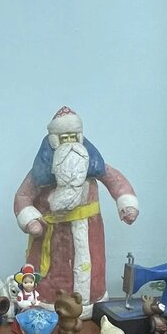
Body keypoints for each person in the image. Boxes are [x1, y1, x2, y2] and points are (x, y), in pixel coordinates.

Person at [13, 106, 139, 316]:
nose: (70, 144)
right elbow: (22, 197)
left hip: (90, 233)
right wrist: (31, 220)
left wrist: (127, 204)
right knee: (54, 278)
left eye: (74, 136)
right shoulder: (40, 173)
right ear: (53, 141)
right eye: (64, 138)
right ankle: (53, 304)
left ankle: (92, 301)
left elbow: (116, 182)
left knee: (93, 268)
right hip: (53, 239)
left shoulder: (93, 164)